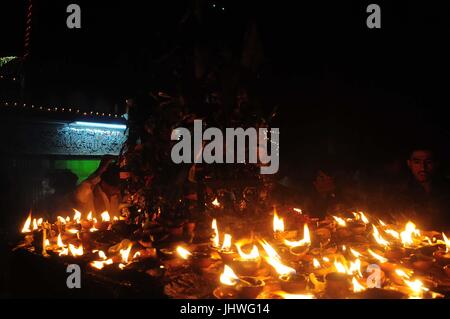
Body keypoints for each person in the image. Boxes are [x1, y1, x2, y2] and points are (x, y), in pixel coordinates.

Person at [395, 146, 450, 229]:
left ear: (436, 164)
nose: (423, 167)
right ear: (409, 164)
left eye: (428, 162)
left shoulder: (446, 190)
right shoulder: (399, 192)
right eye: (417, 162)